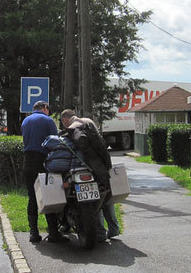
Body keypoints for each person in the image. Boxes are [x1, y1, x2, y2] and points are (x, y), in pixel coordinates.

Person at [60, 109, 119, 241]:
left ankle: (100, 233)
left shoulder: (71, 129)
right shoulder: (88, 122)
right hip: (100, 166)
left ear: (65, 120)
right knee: (105, 196)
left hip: (84, 167)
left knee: (92, 199)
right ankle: (114, 228)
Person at [21, 100, 68, 244]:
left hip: (28, 161)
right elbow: (56, 143)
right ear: (45, 108)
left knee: (32, 197)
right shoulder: (48, 121)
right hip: (43, 162)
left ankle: (33, 233)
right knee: (49, 196)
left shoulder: (25, 121)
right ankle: (53, 233)